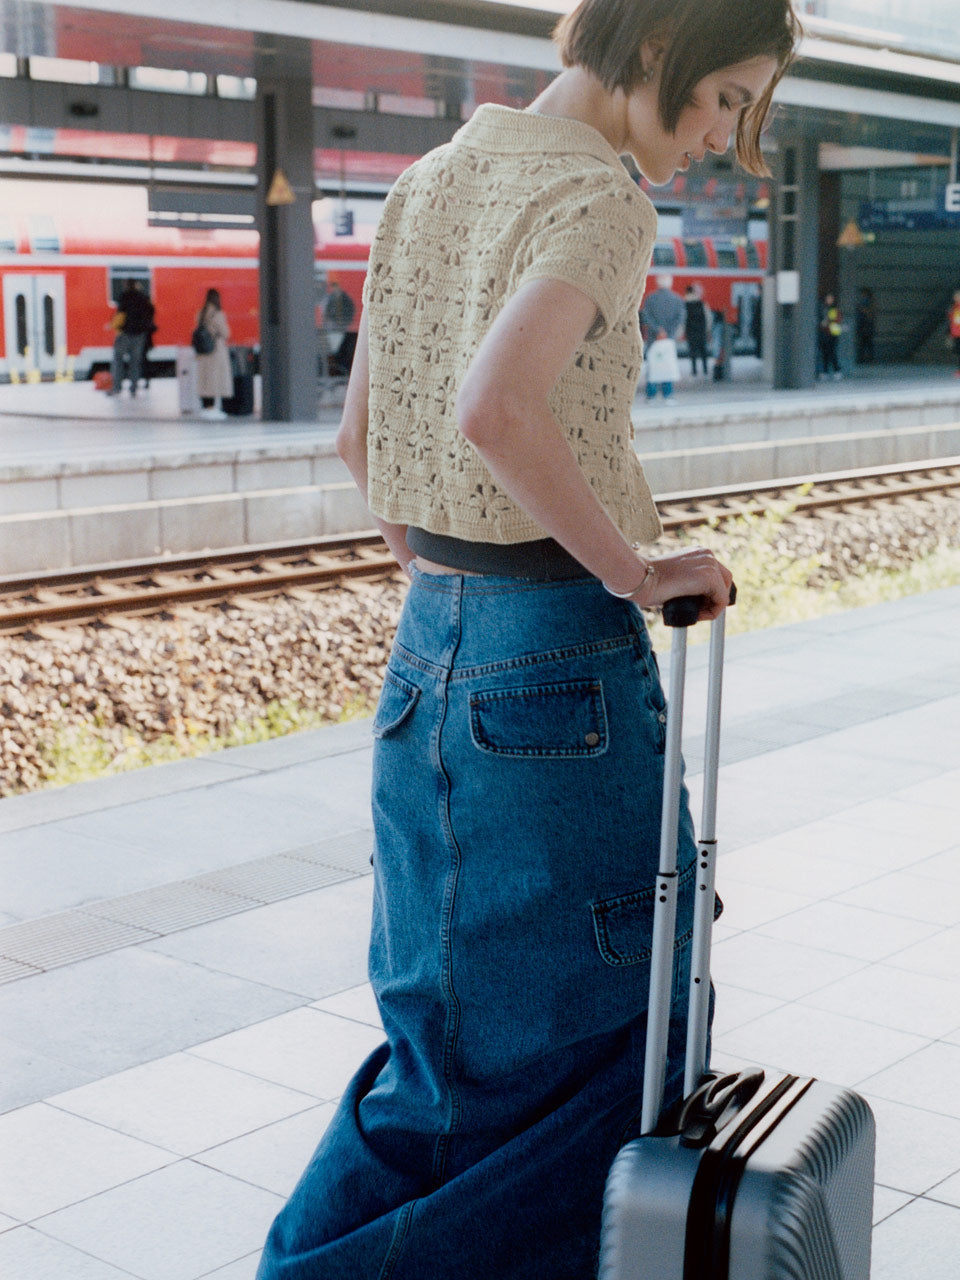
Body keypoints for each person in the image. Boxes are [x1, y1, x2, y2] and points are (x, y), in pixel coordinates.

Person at [256, 2, 798, 1277]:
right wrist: (639, 569)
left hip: (428, 653)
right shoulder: (601, 201)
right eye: (726, 96)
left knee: (444, 1045)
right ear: (659, 53)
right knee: (606, 1046)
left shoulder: (432, 177)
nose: (723, 134)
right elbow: (497, 406)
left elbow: (362, 443)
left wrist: (451, 590)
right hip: (559, 667)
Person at [108, 279, 154, 397]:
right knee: (135, 362)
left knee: (118, 360)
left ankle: (117, 387)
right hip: (139, 335)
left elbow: (120, 314)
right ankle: (133, 389)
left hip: (125, 333)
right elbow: (151, 311)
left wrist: (114, 325)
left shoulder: (125, 296)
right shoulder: (143, 297)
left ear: (126, 285)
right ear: (136, 285)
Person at [194, 288, 233, 419]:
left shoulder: (200, 313)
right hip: (215, 351)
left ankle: (206, 407)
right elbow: (226, 333)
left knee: (204, 379)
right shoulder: (218, 314)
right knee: (215, 379)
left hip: (202, 351)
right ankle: (213, 409)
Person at [683, 281, 711, 375]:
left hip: (690, 330)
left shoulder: (685, 304)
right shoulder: (702, 304)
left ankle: (694, 370)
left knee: (692, 351)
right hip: (701, 330)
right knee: (703, 350)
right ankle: (705, 369)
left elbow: (683, 319)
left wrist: (682, 332)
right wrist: (708, 329)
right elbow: (708, 318)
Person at [645, 326, 682, 397]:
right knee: (653, 368)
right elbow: (647, 316)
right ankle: (651, 393)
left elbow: (679, 317)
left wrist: (667, 331)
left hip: (669, 335)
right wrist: (658, 330)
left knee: (667, 367)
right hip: (653, 336)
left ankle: (668, 393)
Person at [818, 292, 842, 379]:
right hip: (825, 333)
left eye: (831, 298)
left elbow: (835, 319)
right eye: (828, 298)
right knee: (825, 353)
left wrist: (826, 322)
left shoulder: (834, 309)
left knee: (832, 352)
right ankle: (825, 371)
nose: (829, 300)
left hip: (833, 333)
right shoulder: (823, 308)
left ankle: (837, 370)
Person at [855, 287, 875, 364]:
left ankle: (868, 358)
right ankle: (863, 358)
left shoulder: (870, 302)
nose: (862, 295)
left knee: (866, 342)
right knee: (863, 342)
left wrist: (861, 308)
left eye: (863, 293)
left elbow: (869, 313)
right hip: (862, 324)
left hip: (867, 324)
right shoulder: (863, 302)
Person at [947, 290, 960, 378]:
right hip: (956, 333)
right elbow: (952, 321)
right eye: (956, 296)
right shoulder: (954, 307)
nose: (956, 298)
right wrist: (949, 333)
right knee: (957, 351)